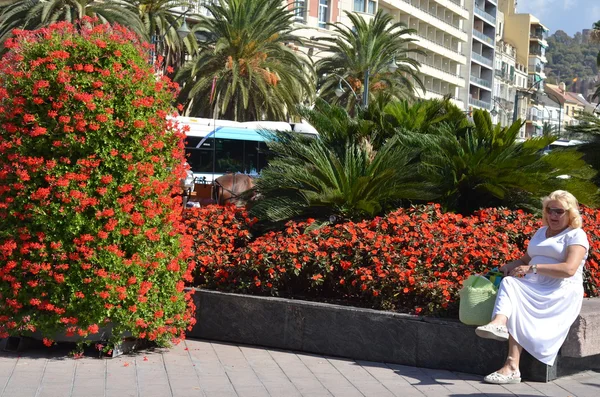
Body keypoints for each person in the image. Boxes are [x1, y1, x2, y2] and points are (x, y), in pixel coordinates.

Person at [474, 190, 589, 384]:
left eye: (559, 211)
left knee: (513, 289)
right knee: (510, 282)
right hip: (534, 284)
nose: (553, 215)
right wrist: (509, 266)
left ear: (570, 213)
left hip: (559, 289)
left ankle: (511, 364)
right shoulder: (541, 232)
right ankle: (501, 331)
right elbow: (527, 258)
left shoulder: (576, 235)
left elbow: (569, 269)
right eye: (550, 210)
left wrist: (533, 268)